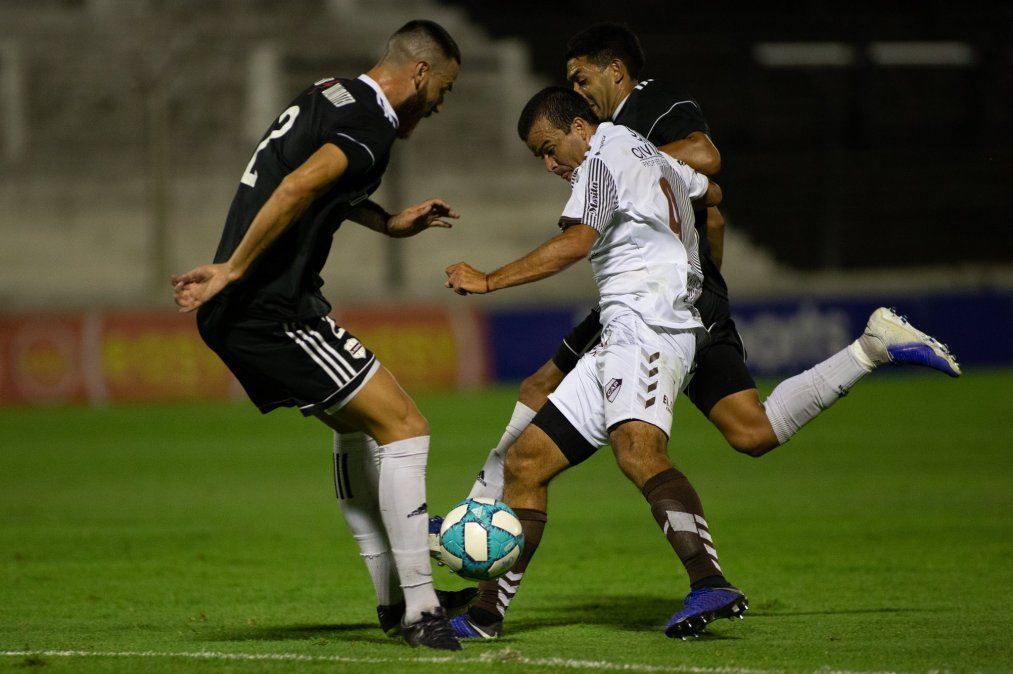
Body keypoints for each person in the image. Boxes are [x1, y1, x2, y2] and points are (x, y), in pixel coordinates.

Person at [459, 22, 961, 515]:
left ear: (616, 71)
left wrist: (633, 163)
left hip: (663, 297)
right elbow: (712, 205)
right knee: (752, 432)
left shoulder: (646, 109)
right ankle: (871, 348)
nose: (576, 92)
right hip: (676, 289)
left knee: (548, 388)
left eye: (581, 79)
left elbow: (707, 157)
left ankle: (477, 512)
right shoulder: (611, 139)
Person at [171, 20, 468, 651]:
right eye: (444, 86)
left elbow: (321, 184)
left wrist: (387, 222)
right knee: (406, 427)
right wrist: (233, 269)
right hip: (270, 310)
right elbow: (299, 184)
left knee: (361, 428)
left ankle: (397, 602)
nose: (441, 103)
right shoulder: (372, 124)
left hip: (256, 309)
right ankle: (422, 611)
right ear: (419, 73)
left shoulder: (332, 94)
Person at [444, 86, 744, 639]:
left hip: (649, 327)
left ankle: (709, 581)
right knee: (526, 463)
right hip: (622, 330)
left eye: (550, 147)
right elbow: (713, 191)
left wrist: (487, 279)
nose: (550, 163)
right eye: (540, 155)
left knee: (638, 451)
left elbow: (575, 244)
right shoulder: (645, 151)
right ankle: (485, 615)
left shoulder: (603, 154)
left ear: (581, 127)